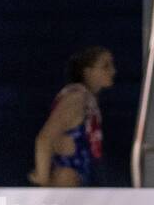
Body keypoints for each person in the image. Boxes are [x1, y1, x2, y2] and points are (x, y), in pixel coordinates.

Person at [29, 46, 114, 187]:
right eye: (105, 66)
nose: (112, 71)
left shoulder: (88, 101)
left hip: (79, 180)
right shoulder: (76, 98)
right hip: (67, 180)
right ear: (88, 72)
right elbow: (44, 139)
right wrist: (42, 180)